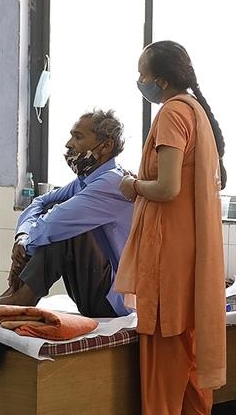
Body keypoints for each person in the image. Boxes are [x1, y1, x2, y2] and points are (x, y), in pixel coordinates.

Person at [114, 41, 226, 415]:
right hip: (189, 254)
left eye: (142, 74)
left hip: (168, 257)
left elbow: (167, 188)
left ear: (161, 80)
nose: (139, 80)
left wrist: (132, 185)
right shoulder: (196, 111)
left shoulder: (172, 113)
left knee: (163, 366)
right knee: (188, 367)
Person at [0, 110, 134, 318]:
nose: (68, 144)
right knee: (53, 216)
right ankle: (16, 292)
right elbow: (40, 202)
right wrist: (22, 237)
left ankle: (23, 296)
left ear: (106, 146)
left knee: (62, 226)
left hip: (114, 301)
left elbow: (52, 223)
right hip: (95, 291)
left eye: (78, 137)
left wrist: (23, 251)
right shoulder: (86, 181)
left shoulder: (112, 182)